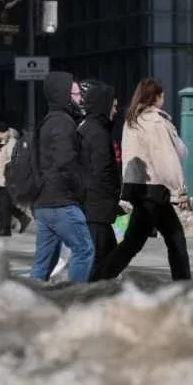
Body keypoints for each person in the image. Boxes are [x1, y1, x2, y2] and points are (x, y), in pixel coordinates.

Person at [97, 78, 192, 281]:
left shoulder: (133, 119)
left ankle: (101, 277)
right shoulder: (155, 122)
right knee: (176, 239)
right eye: (162, 95)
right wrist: (180, 190)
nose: (164, 99)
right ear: (155, 97)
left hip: (139, 189)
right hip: (155, 189)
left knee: (133, 242)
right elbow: (165, 157)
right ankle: (183, 285)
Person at [29, 72, 96, 283]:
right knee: (84, 250)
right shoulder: (63, 123)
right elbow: (65, 162)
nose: (80, 99)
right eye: (75, 94)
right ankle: (74, 300)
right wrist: (81, 188)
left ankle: (29, 301)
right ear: (63, 96)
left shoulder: (46, 122)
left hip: (43, 203)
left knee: (43, 262)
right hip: (61, 201)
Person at [77, 79, 124, 282]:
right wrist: (111, 199)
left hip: (96, 208)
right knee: (100, 261)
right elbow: (100, 172)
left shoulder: (91, 128)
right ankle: (88, 300)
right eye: (113, 106)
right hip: (96, 210)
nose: (116, 110)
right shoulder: (98, 132)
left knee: (108, 261)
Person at [0, 122, 31, 236]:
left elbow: (13, 160)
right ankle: (21, 217)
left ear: (2, 132)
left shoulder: (11, 142)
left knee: (4, 204)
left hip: (6, 179)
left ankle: (5, 229)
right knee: (0, 203)